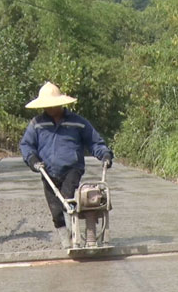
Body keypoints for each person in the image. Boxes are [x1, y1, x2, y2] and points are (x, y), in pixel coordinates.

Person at [20, 82, 113, 249]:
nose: (51, 108)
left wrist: (104, 154)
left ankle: (77, 238)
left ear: (61, 103)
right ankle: (66, 239)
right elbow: (26, 145)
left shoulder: (78, 122)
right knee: (55, 210)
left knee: (67, 199)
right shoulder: (37, 124)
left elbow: (94, 142)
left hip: (72, 168)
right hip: (47, 170)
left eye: (54, 105)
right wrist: (33, 160)